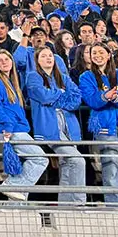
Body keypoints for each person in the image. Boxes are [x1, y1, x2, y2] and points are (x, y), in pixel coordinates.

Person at [79, 42, 118, 204]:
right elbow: (91, 99)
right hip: (104, 126)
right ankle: (117, 206)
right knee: (110, 166)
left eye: (101, 52)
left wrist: (117, 97)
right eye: (94, 53)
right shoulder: (86, 77)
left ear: (108, 55)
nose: (98, 56)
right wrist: (105, 96)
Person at [24, 46, 86, 203]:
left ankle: (65, 205)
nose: (48, 58)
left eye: (50, 55)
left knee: (67, 164)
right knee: (78, 160)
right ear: (37, 61)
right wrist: (61, 93)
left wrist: (58, 98)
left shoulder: (63, 77)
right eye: (43, 56)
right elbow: (43, 96)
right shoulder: (33, 76)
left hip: (69, 125)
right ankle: (79, 202)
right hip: (49, 126)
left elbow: (77, 98)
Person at [0, 50, 48, 201]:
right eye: (0, 60)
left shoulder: (13, 80)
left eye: (7, 59)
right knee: (40, 158)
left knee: (20, 168)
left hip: (17, 126)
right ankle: (11, 185)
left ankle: (14, 209)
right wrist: (8, 125)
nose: (4, 62)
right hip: (9, 128)